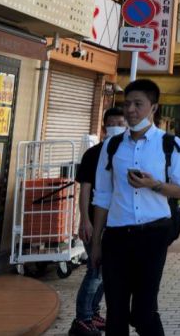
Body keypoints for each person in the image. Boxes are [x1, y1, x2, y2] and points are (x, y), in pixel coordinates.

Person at [92, 79, 180, 336]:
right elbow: (102, 195)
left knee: (144, 312)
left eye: (138, 104)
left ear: (153, 107)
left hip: (153, 236)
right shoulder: (112, 146)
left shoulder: (170, 144)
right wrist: (96, 242)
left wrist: (154, 184)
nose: (131, 110)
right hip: (116, 237)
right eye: (127, 104)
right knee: (116, 312)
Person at [70, 107, 126, 336]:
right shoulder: (93, 154)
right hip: (94, 222)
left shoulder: (127, 153)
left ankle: (93, 313)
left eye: (120, 123)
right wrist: (85, 220)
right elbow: (85, 189)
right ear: (103, 128)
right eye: (111, 124)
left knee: (106, 272)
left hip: (117, 224)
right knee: (95, 271)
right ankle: (82, 318)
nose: (116, 128)